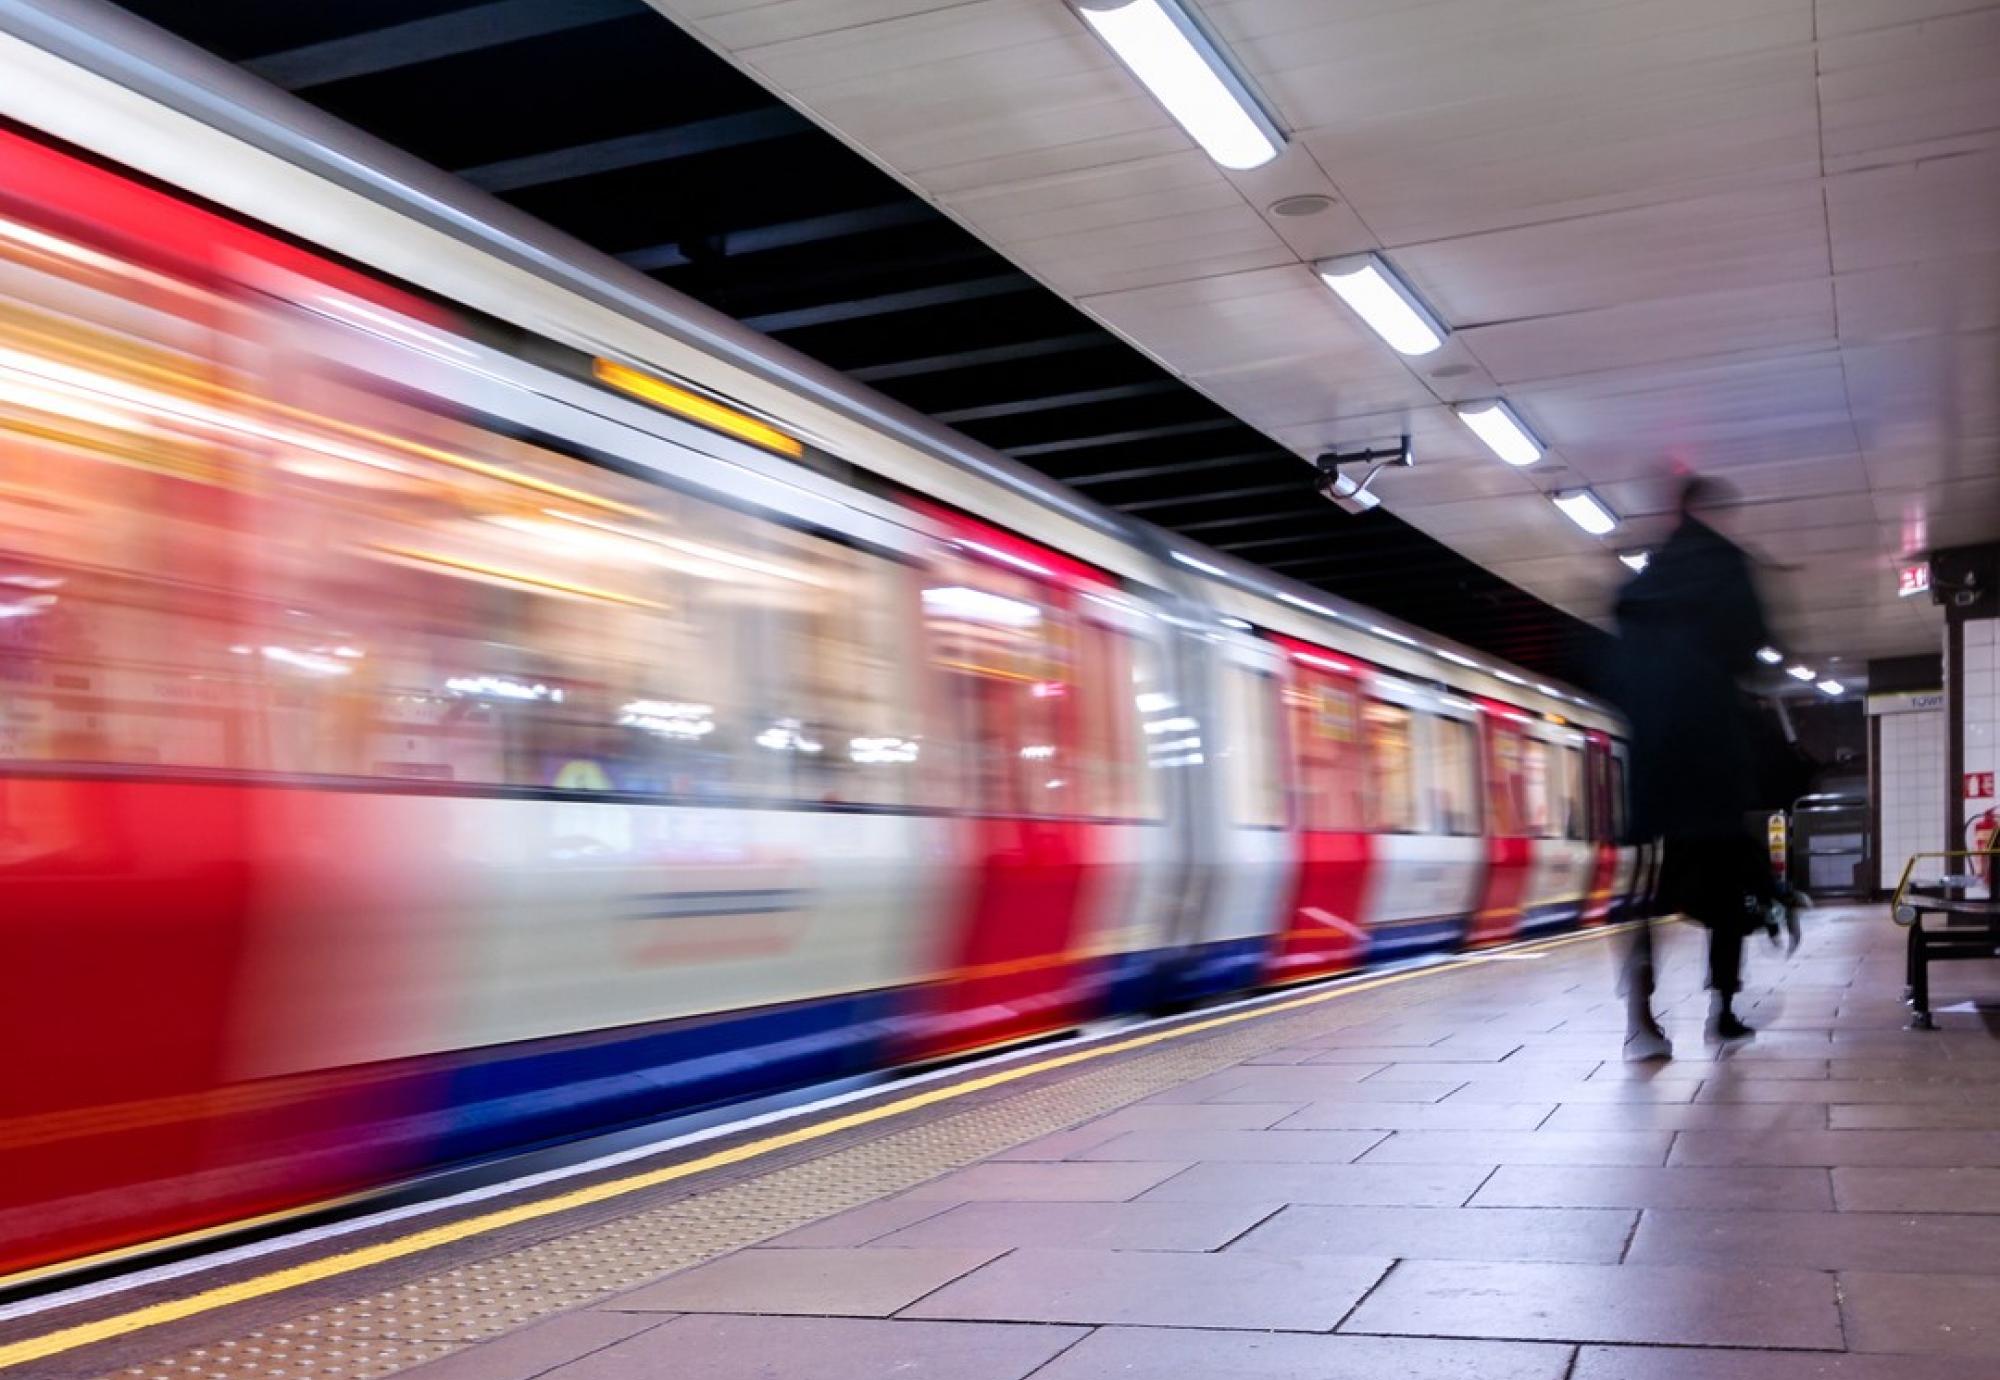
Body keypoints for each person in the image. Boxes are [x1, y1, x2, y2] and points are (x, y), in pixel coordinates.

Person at [1612, 475, 1772, 1056]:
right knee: (1729, 893)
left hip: (1655, 767)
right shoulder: (1727, 568)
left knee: (1645, 898)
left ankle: (1640, 1020)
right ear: (1708, 510)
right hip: (1711, 761)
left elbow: (1618, 667)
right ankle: (1723, 1009)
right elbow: (1753, 647)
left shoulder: (1642, 585)